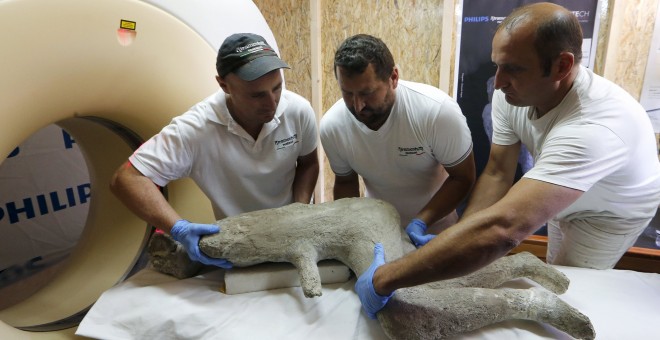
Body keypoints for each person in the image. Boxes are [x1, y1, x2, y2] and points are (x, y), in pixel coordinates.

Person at [354, 2, 660, 319]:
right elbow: (499, 172)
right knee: (551, 266)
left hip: (609, 211)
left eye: (513, 68)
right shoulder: (511, 93)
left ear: (561, 66)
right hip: (567, 191)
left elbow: (504, 229)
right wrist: (462, 234)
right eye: (497, 65)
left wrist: (384, 279)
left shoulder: (595, 127)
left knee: (572, 286)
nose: (498, 82)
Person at [110, 33, 319, 268]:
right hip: (237, 242)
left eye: (277, 88)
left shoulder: (298, 111)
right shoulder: (196, 129)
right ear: (224, 85)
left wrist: (299, 210)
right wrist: (178, 228)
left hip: (290, 233)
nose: (272, 103)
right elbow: (126, 179)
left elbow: (308, 163)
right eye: (257, 95)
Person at [319, 34, 476, 247]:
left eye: (367, 93)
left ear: (393, 77)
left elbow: (463, 177)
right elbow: (346, 182)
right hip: (380, 233)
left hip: (435, 232)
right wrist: (352, 230)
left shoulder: (437, 112)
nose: (358, 106)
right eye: (347, 93)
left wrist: (421, 222)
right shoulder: (333, 126)